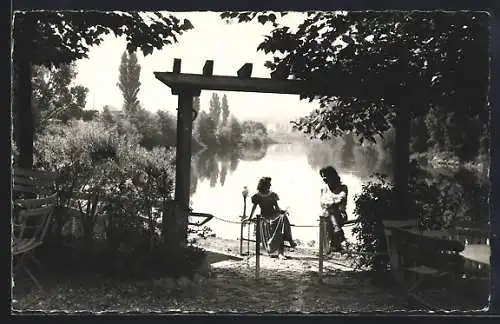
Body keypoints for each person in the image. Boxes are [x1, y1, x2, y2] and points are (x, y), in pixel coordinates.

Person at [247, 177, 296, 260]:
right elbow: (254, 208)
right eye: (269, 184)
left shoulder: (272, 195)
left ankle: (287, 244)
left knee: (283, 218)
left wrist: (282, 211)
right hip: (264, 217)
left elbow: (277, 208)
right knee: (274, 226)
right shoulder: (257, 196)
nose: (270, 185)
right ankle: (285, 245)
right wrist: (250, 218)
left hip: (274, 215)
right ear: (264, 185)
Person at [319, 166, 349, 253]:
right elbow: (322, 203)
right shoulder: (323, 189)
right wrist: (333, 202)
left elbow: (341, 199)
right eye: (322, 176)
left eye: (326, 176)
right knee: (329, 211)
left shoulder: (343, 187)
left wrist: (331, 203)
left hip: (340, 215)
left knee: (330, 211)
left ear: (332, 176)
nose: (324, 178)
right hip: (326, 215)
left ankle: (336, 232)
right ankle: (337, 233)